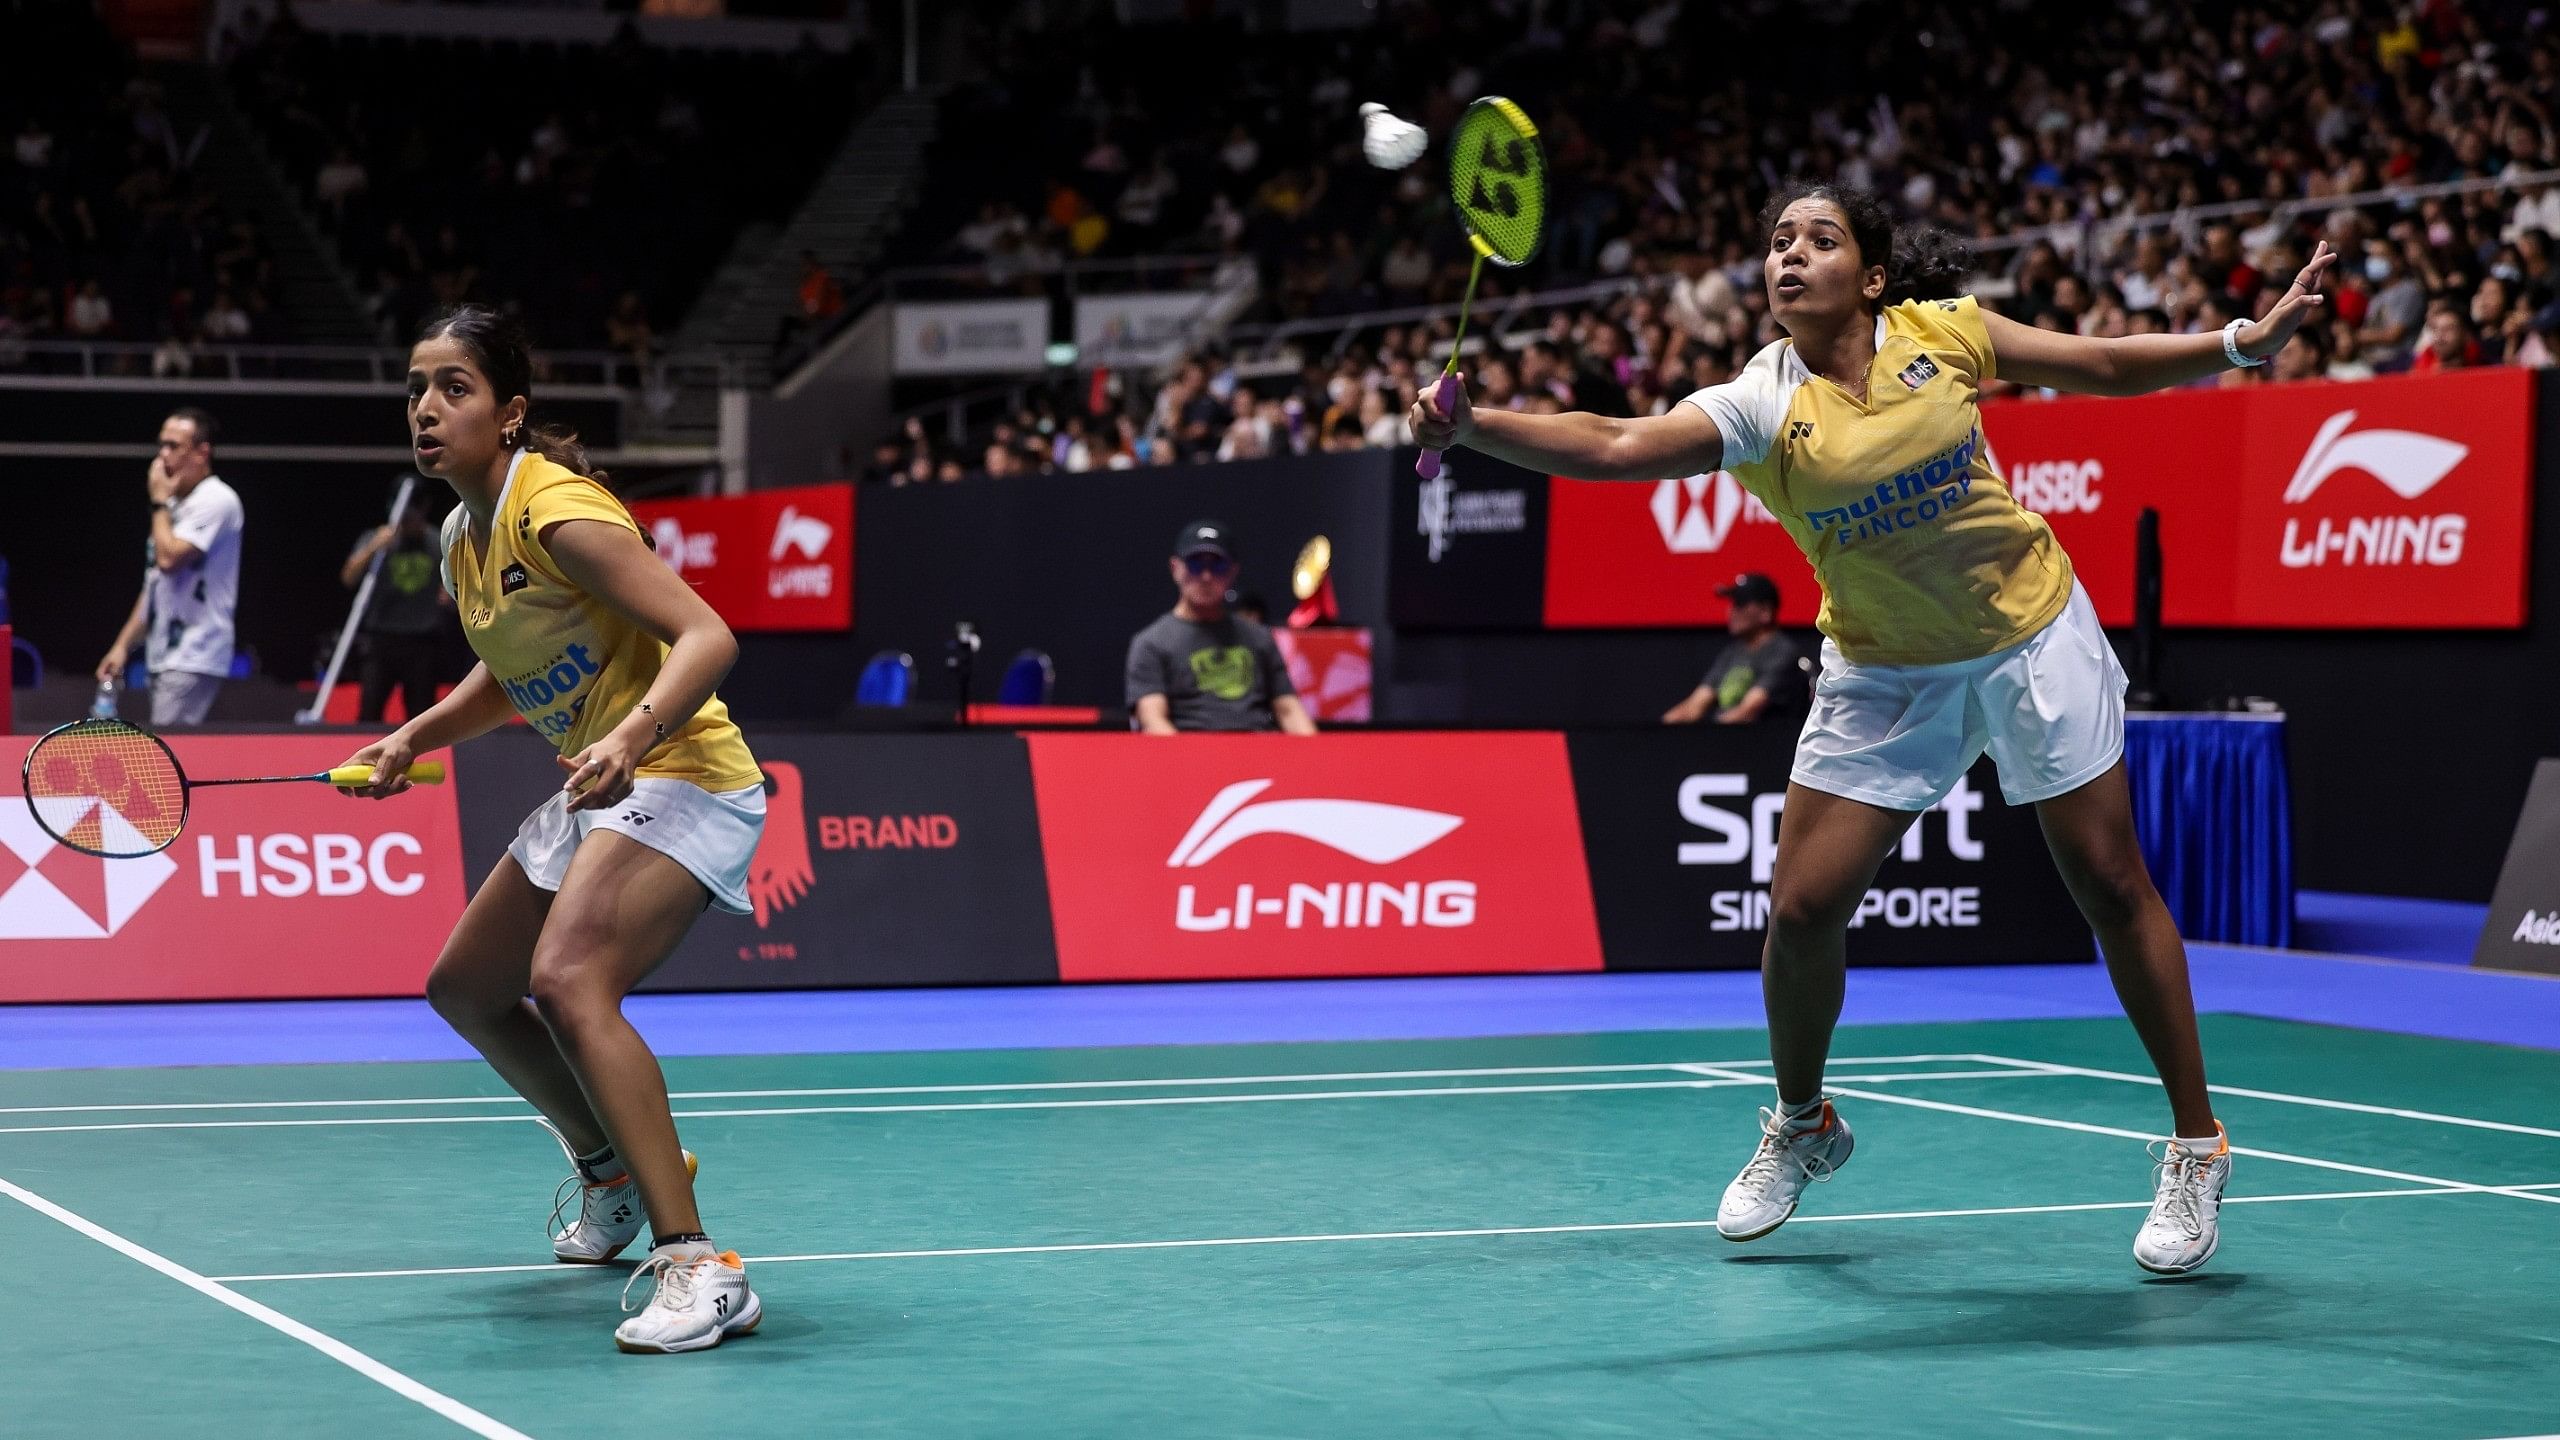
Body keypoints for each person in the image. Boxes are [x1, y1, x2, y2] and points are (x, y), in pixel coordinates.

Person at [1412, 180, 2338, 1276]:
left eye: (1818, 238)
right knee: (1801, 907)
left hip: (2029, 632)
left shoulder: (1940, 333)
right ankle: (1802, 1124)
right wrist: (1476, 425)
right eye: (1775, 242)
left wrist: (2242, 339)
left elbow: (2095, 364)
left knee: (2106, 879)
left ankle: (2196, 1144)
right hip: (1886, 668)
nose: (1787, 256)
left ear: (1875, 273)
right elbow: (1616, 443)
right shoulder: (1762, 400)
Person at [341, 305, 767, 1352]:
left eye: (454, 389)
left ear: (511, 411)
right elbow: (511, 670)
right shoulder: (459, 537)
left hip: (682, 770)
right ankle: (608, 1169)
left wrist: (630, 732)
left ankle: (700, 1268)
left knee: (572, 980)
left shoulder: (558, 512)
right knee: (467, 986)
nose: (426, 409)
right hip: (599, 783)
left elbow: (707, 635)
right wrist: (416, 736)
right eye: (414, 389)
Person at [96, 408, 243, 727]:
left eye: (174, 446)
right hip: (163, 654)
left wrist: (159, 501)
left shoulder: (217, 500)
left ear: (203, 452)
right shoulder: (174, 506)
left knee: (166, 756)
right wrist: (122, 647)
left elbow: (169, 559)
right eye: (161, 445)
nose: (163, 455)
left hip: (195, 652)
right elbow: (155, 583)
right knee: (170, 753)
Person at [1127, 520, 1316, 735]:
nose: (1206, 576)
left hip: (1259, 755)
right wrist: (1190, 763)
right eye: (1195, 564)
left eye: (1218, 565)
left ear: (1233, 571)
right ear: (1175, 568)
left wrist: (1318, 757)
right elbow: (1152, 720)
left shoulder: (1259, 637)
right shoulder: (1151, 643)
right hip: (1189, 753)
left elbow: (1290, 711)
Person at [339, 485, 451, 724]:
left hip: (422, 641)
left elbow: (457, 585)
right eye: (403, 518)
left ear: (424, 510)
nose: (408, 523)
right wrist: (373, 549)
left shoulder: (437, 541)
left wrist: (451, 594)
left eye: (412, 517)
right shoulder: (377, 539)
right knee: (369, 714)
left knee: (422, 717)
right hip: (381, 641)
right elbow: (348, 577)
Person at [1662, 572, 1805, 726]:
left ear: (1765, 611)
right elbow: (1694, 707)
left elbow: (1748, 711)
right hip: (1725, 742)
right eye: (1732, 604)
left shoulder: (1783, 652)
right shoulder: (1732, 653)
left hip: (1761, 744)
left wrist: (1707, 738)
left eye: (1740, 604)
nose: (1731, 611)